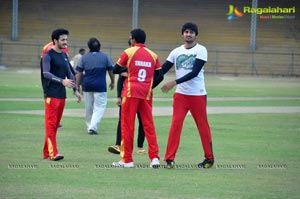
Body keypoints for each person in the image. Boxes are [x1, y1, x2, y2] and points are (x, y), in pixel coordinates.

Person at [160, 22, 214, 169]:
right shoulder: (176, 51)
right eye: (186, 32)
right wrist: (148, 81)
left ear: (196, 35)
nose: (188, 34)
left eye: (191, 32)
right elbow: (162, 70)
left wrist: (174, 82)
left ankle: (209, 159)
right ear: (182, 34)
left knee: (202, 126)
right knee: (175, 125)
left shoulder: (201, 50)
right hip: (181, 96)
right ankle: (169, 160)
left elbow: (194, 72)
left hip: (198, 95)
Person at [112, 29, 162, 168]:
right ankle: (155, 158)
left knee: (127, 126)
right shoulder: (153, 55)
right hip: (146, 94)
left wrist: (126, 72)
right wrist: (149, 85)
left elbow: (115, 69)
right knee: (148, 125)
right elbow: (160, 75)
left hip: (130, 93)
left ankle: (127, 160)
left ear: (133, 40)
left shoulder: (129, 52)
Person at [41, 28, 81, 161]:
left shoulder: (64, 55)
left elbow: (70, 73)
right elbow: (45, 73)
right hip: (51, 95)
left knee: (55, 125)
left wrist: (75, 90)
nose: (65, 42)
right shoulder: (48, 55)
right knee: (51, 125)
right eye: (63, 40)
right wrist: (61, 81)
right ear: (55, 40)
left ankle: (47, 152)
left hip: (61, 96)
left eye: (66, 39)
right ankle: (53, 154)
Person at [108, 39, 146, 155]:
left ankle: (140, 147)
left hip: (142, 94)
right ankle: (118, 145)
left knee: (143, 121)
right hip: (127, 95)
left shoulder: (144, 56)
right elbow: (120, 76)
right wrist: (118, 96)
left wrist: (129, 74)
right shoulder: (126, 57)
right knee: (123, 120)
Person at [76, 37, 114, 135]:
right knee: (100, 106)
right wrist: (112, 81)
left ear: (89, 47)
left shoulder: (83, 57)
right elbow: (111, 71)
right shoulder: (106, 57)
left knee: (88, 107)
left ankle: (90, 126)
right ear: (100, 46)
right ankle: (93, 127)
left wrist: (77, 86)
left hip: (87, 85)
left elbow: (79, 73)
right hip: (100, 86)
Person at [40, 42, 71, 129]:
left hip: (60, 79)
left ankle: (56, 121)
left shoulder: (63, 49)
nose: (65, 41)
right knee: (51, 102)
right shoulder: (48, 48)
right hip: (50, 82)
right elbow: (44, 63)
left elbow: (66, 57)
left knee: (58, 102)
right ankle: (51, 121)